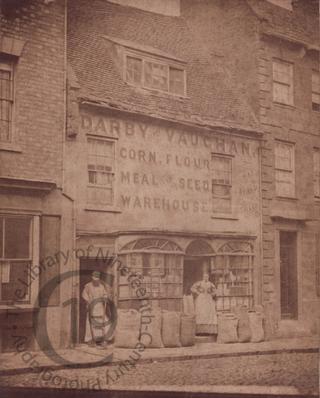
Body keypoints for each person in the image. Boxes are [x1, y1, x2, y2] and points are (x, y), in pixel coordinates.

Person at [82, 271, 112, 347]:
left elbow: (105, 294)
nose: (96, 280)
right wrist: (88, 301)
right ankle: (90, 340)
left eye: (97, 279)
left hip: (100, 306)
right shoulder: (88, 286)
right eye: (94, 278)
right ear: (92, 278)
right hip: (92, 305)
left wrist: (105, 298)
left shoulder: (101, 286)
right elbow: (84, 294)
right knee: (91, 323)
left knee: (103, 322)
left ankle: (103, 339)